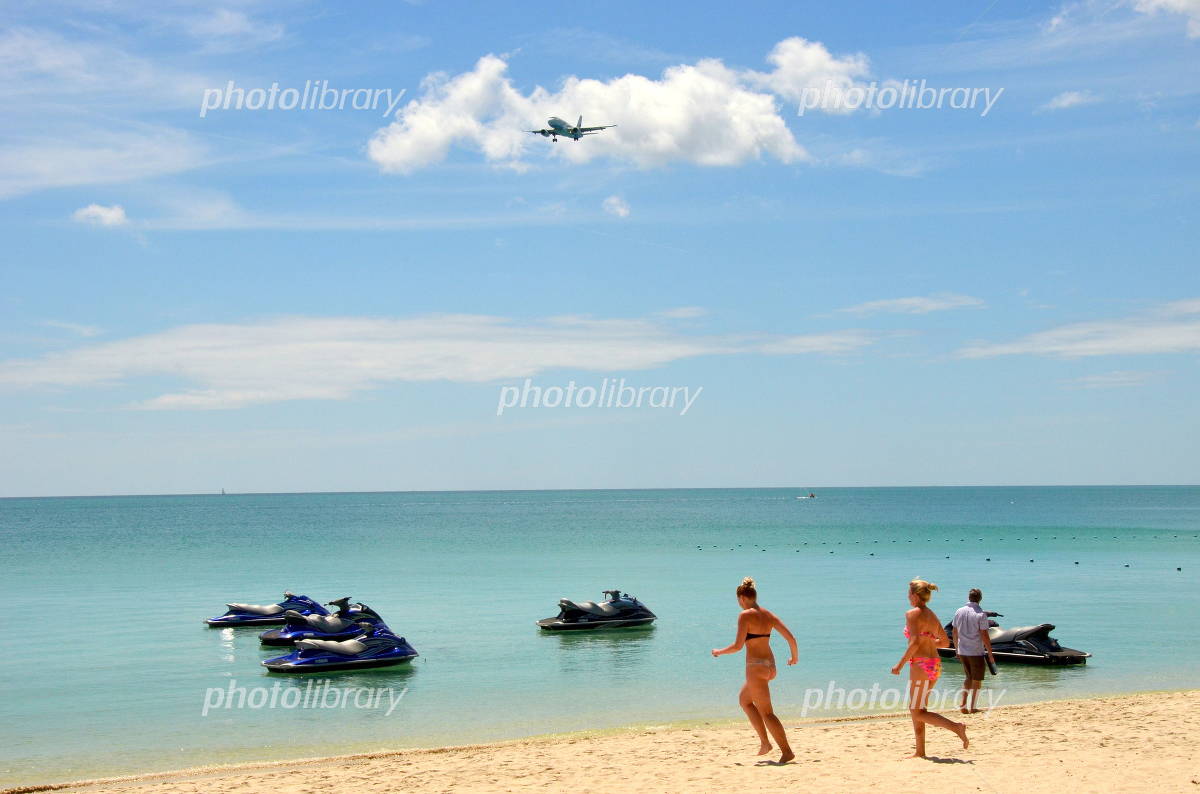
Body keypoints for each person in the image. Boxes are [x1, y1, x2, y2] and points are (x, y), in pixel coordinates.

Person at [712, 576, 799, 764]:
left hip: (756, 668)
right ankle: (765, 743)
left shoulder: (745, 615)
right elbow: (791, 638)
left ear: (742, 598)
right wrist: (794, 657)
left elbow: (737, 646)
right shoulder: (769, 615)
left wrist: (719, 651)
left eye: (738, 601)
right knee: (744, 700)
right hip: (770, 667)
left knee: (767, 712)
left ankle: (787, 751)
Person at [890, 578, 969, 758]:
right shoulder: (932, 615)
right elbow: (945, 642)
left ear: (916, 596)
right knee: (919, 709)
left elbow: (915, 642)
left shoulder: (912, 614)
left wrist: (900, 664)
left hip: (920, 664)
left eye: (909, 593)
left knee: (916, 710)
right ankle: (920, 751)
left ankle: (957, 727)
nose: (907, 596)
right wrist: (928, 639)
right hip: (934, 665)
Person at [951, 588, 995, 713]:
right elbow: (984, 635)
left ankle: (963, 705)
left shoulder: (959, 611)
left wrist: (956, 649)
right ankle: (973, 707)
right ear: (980, 598)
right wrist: (990, 654)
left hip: (962, 650)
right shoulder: (980, 614)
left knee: (968, 678)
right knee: (977, 680)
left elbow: (954, 632)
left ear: (969, 597)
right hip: (975, 651)